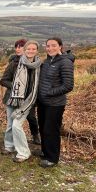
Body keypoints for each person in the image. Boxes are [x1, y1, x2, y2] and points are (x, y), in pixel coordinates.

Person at [0, 40, 42, 163]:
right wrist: (16, 86)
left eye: (33, 49)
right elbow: (3, 80)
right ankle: (9, 146)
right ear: (25, 50)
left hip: (28, 101)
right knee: (10, 124)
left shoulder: (40, 66)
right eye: (28, 49)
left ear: (37, 51)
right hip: (12, 99)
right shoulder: (14, 63)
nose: (30, 51)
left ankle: (23, 152)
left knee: (16, 125)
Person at [37, 37, 74, 168]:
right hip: (42, 102)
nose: (50, 48)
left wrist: (48, 92)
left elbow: (68, 85)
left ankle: (52, 158)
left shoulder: (65, 62)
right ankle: (45, 152)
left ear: (60, 47)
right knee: (42, 127)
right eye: (48, 46)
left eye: (53, 45)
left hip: (55, 104)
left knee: (51, 130)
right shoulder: (47, 61)